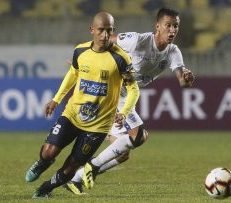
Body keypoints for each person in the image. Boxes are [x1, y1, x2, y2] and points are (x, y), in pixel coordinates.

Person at [66, 7, 195, 195]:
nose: (172, 30)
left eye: (176, 26)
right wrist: (87, 59)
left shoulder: (173, 52)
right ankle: (91, 167)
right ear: (157, 26)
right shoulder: (138, 40)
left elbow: (182, 81)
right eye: (168, 25)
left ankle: (75, 179)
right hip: (113, 91)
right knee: (138, 135)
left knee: (123, 153)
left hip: (127, 97)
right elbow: (107, 39)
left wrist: (186, 80)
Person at [24, 11, 140, 198]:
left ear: (113, 31)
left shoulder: (121, 59)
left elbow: (134, 89)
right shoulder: (80, 51)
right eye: (101, 30)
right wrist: (56, 99)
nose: (104, 35)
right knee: (48, 152)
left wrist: (125, 112)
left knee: (71, 166)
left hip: (98, 125)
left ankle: (46, 189)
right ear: (91, 30)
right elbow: (73, 75)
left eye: (109, 31)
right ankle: (42, 163)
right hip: (73, 114)